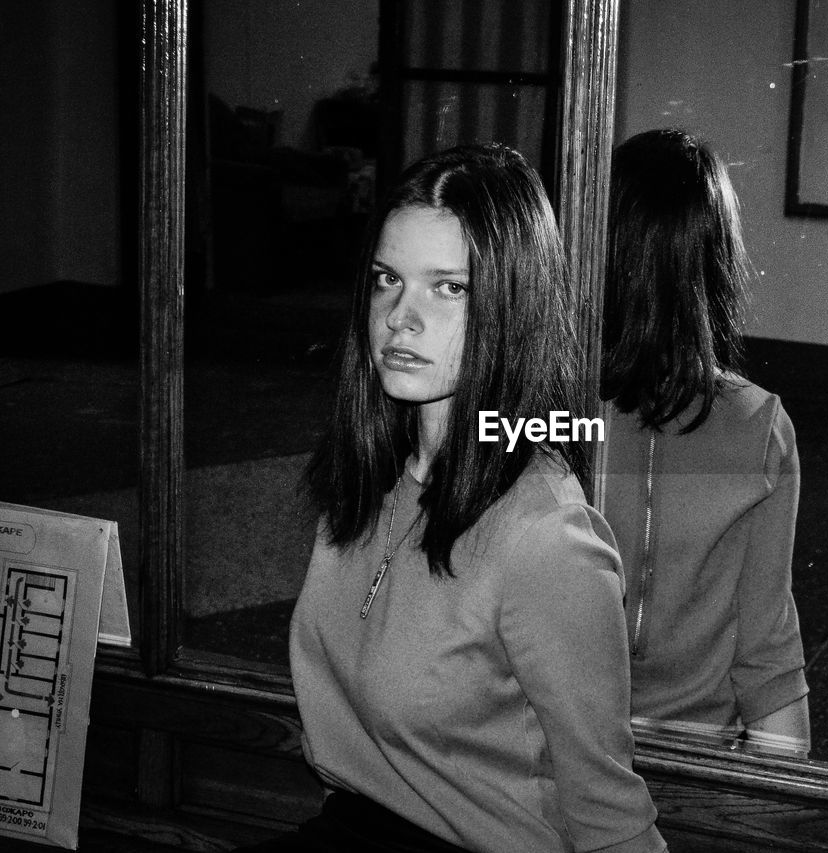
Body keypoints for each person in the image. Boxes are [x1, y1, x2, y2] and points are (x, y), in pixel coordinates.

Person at [246, 144, 665, 853]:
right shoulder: (367, 474)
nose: (400, 318)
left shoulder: (546, 537)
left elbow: (613, 819)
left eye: (448, 287)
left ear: (510, 307)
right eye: (387, 279)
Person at [601, 129, 810, 758]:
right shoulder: (759, 425)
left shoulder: (539, 411)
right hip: (690, 755)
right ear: (717, 264)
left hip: (545, 753)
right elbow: (767, 652)